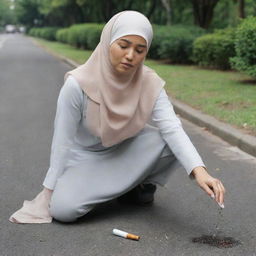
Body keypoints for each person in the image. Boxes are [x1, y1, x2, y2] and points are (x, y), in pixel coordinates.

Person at [10, 10, 225, 224]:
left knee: (168, 142)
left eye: (140, 50)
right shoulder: (77, 85)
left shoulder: (150, 82)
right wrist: (49, 191)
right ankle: (116, 185)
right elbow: (62, 143)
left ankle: (137, 186)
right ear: (107, 42)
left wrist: (200, 172)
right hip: (84, 157)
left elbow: (172, 128)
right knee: (63, 211)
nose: (131, 55)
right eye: (123, 46)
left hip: (126, 148)